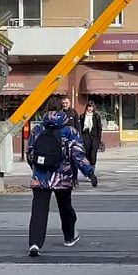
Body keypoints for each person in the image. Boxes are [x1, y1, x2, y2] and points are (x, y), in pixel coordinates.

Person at [27, 97, 95, 257]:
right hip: (62, 177)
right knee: (65, 207)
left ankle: (35, 243)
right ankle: (69, 236)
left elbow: (30, 152)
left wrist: (36, 168)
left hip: (40, 176)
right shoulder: (70, 131)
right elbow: (78, 156)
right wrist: (90, 173)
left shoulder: (37, 129)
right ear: (61, 111)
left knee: (38, 210)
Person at [78, 101, 103, 170]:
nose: (90, 108)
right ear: (86, 107)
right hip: (85, 137)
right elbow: (80, 127)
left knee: (93, 155)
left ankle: (92, 172)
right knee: (87, 155)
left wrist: (98, 140)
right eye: (89, 106)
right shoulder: (82, 116)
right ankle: (88, 171)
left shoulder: (96, 116)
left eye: (91, 107)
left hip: (94, 138)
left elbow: (99, 129)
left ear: (93, 108)